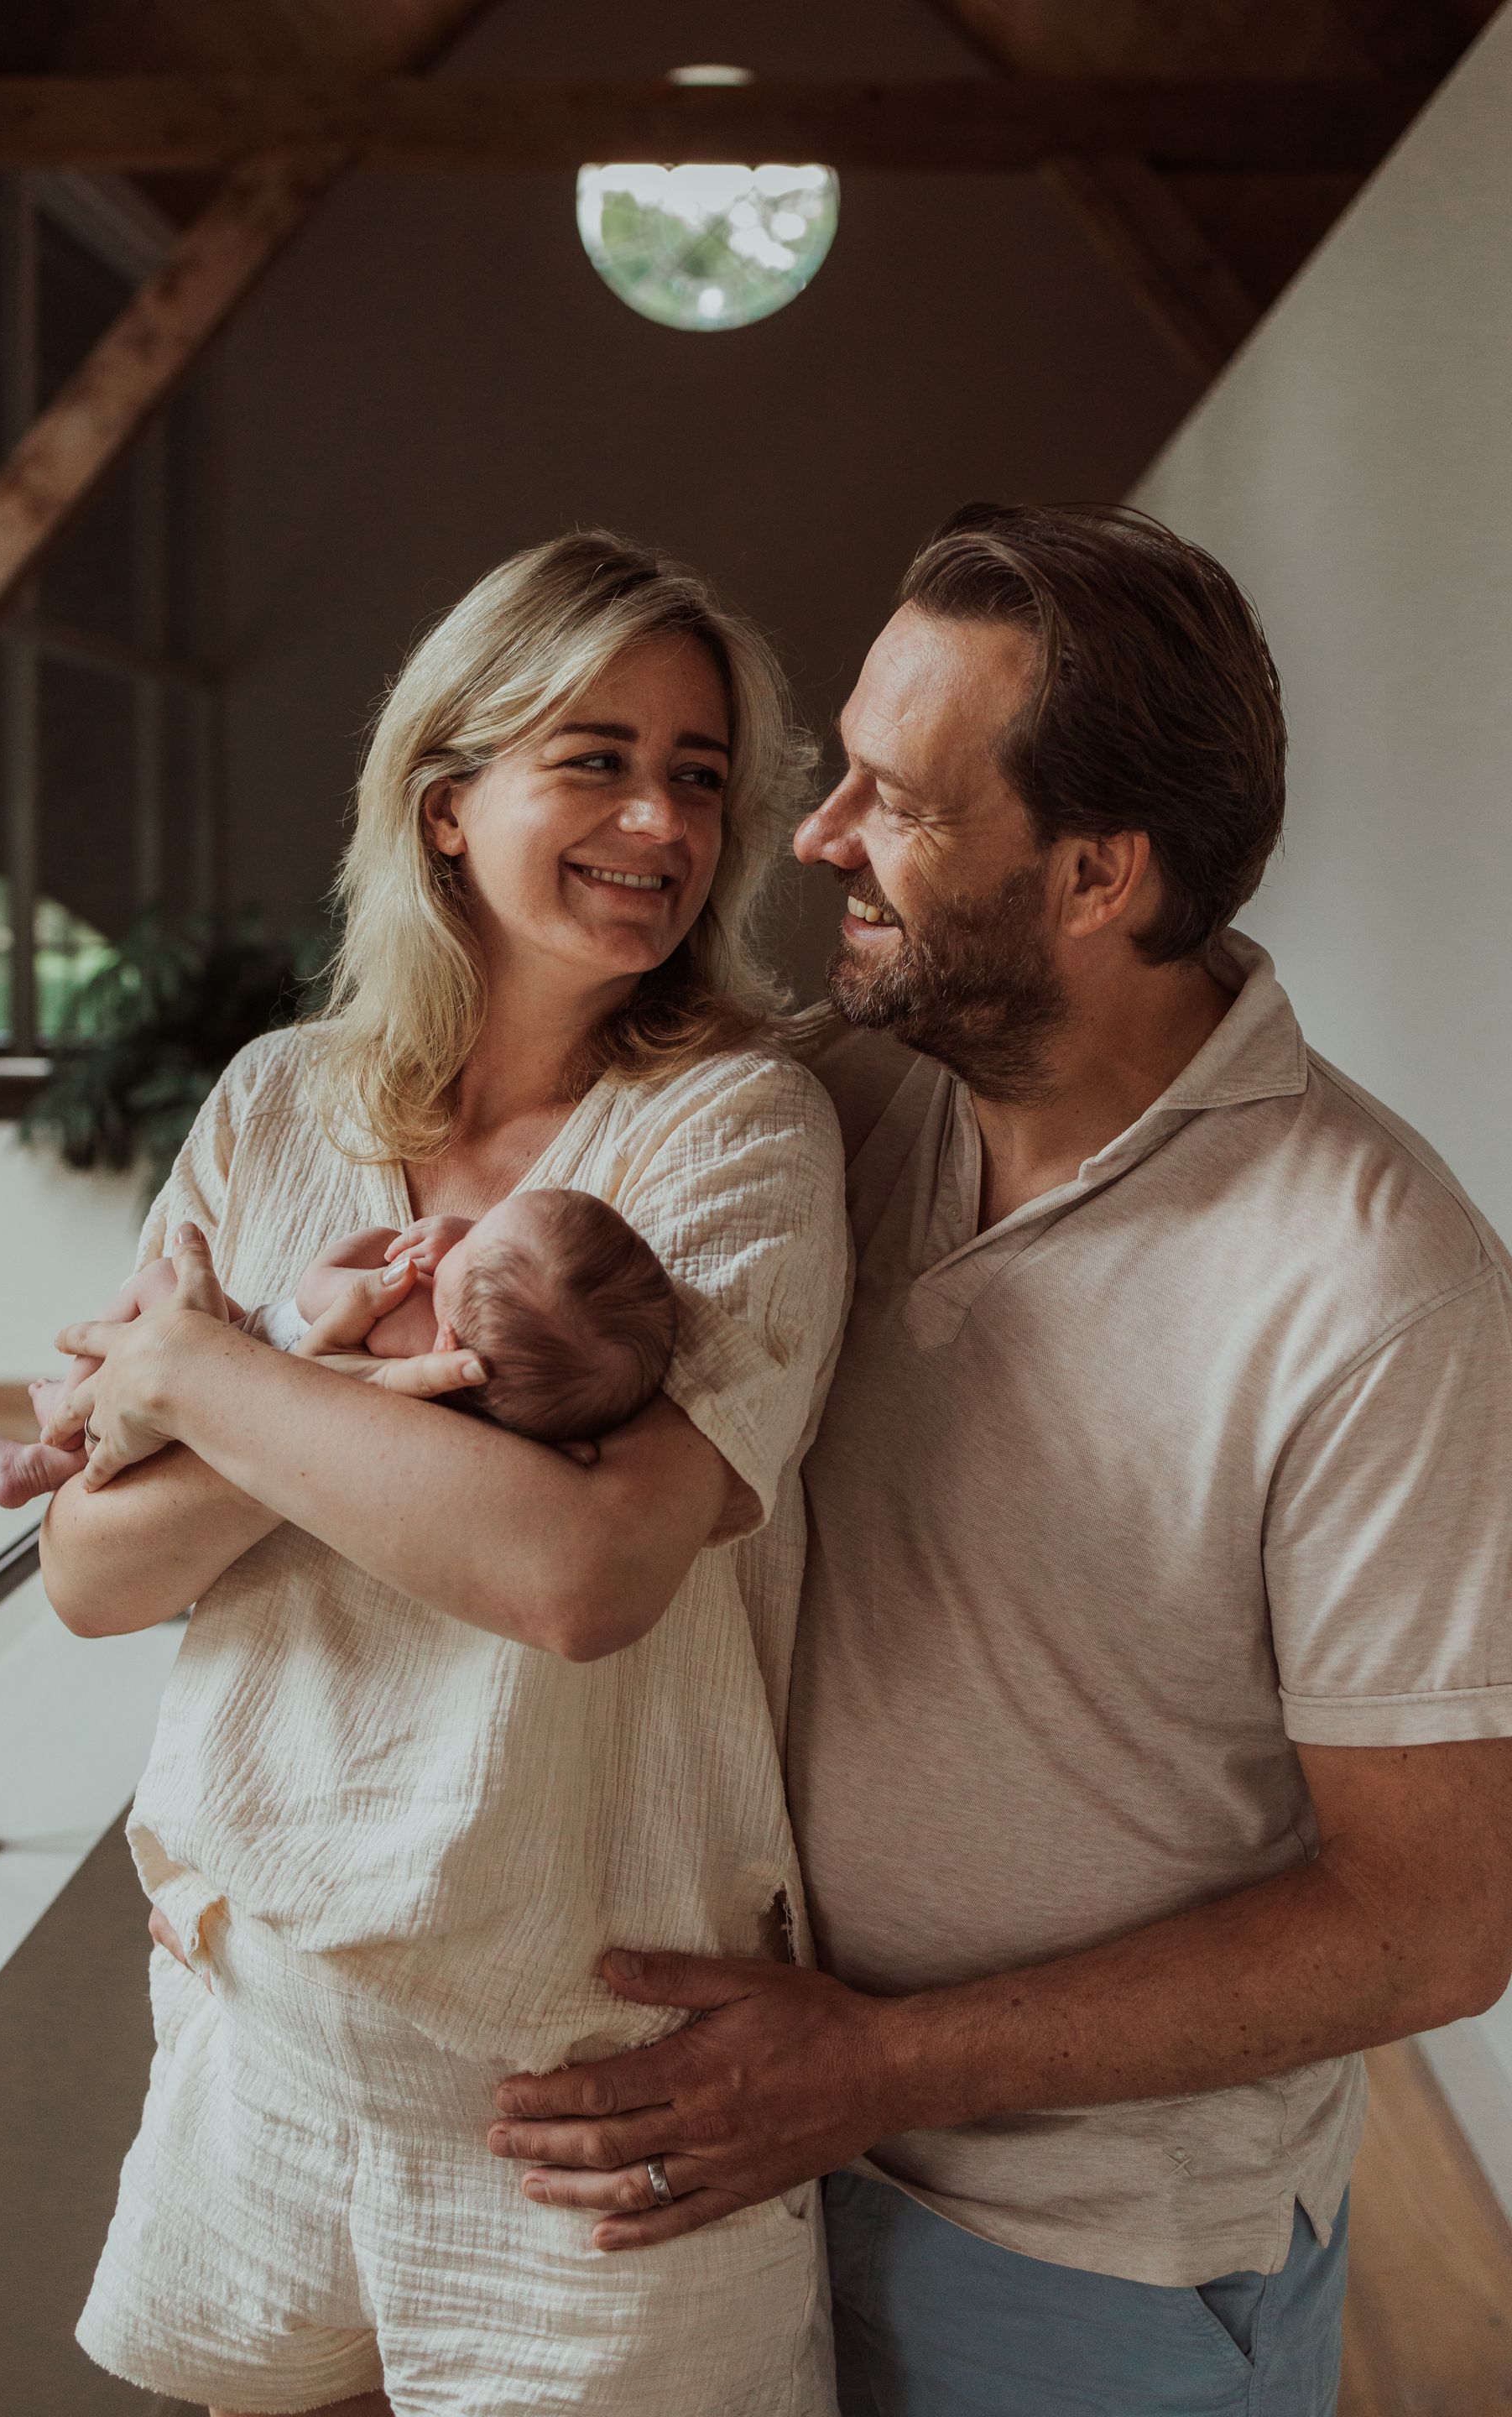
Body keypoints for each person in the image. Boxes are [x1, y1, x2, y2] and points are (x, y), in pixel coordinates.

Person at [484, 504, 1512, 2417]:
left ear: (1097, 872)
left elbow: (1435, 1918)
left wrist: (877, 2061)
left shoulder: (1378, 1283)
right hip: (752, 2160)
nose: (811, 841)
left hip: (1092, 2273)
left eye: (895, 798)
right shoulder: (844, 1105)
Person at [39, 530, 849, 2417]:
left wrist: (215, 1374)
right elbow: (92, 1575)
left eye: (702, 774)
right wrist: (265, 1378)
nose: (660, 814)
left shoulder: (739, 1128)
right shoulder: (275, 1104)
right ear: (445, 800)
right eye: (597, 755)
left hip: (593, 2072)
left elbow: (576, 1580)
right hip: (271, 2019)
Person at [0, 1187, 678, 1506]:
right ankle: (48, 1454)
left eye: (475, 1238)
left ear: (449, 1333)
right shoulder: (483, 1397)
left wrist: (382, 1244)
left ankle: (53, 1438)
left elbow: (312, 1293)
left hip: (229, 1356)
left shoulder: (407, 1315)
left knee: (159, 1281)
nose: (460, 1231)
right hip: (240, 1413)